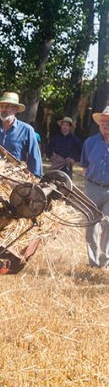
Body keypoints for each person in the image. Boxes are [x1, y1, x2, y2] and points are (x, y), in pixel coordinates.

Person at [0, 92, 43, 177]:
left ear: (16, 110)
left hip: (14, 178)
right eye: (1, 106)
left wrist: (36, 178)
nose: (3, 109)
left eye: (7, 106)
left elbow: (34, 158)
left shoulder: (27, 130)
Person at [81, 107, 109, 267]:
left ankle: (105, 262)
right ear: (99, 124)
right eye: (103, 121)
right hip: (92, 188)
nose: (106, 124)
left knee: (108, 224)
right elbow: (84, 166)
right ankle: (93, 262)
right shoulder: (89, 142)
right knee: (91, 224)